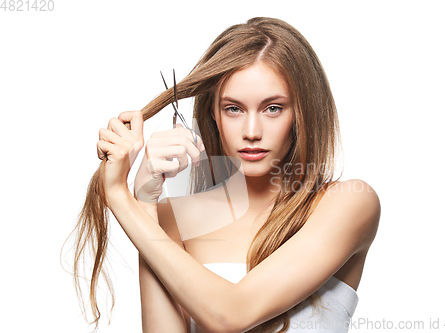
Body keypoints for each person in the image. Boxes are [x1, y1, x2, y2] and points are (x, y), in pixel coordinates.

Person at [73, 17, 381, 333]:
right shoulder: (171, 219)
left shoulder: (348, 204)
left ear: (302, 112)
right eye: (234, 108)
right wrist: (146, 204)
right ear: (213, 114)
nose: (251, 132)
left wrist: (120, 199)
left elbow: (232, 315)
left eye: (273, 108)